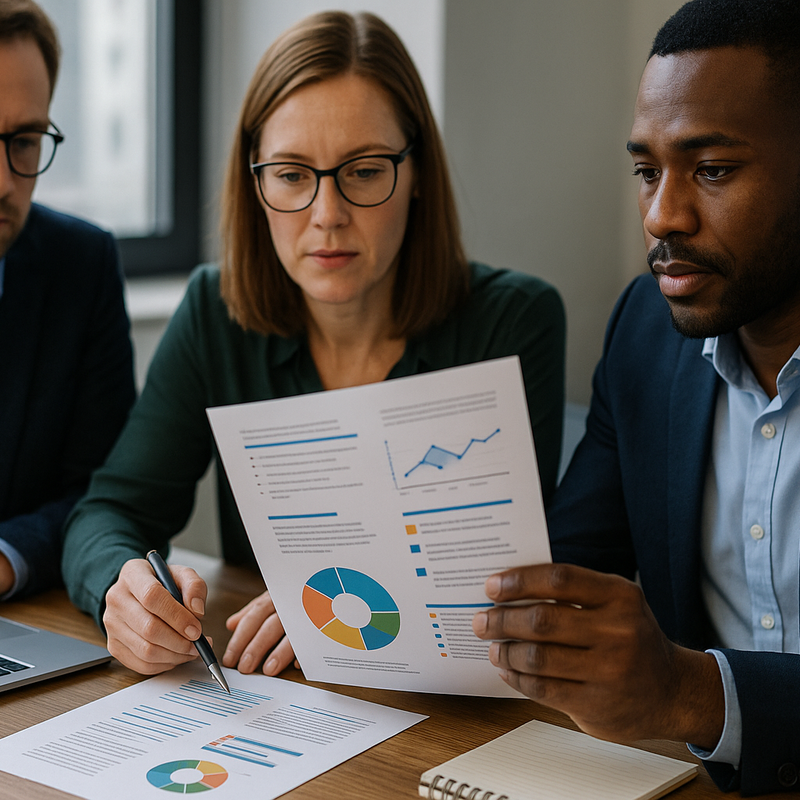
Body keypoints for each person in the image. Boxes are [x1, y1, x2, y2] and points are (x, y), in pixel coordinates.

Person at [62, 12, 565, 682]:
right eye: (293, 175)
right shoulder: (215, 312)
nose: (327, 214)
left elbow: (518, 581)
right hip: (285, 699)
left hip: (457, 702)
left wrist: (334, 602)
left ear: (416, 175)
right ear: (256, 184)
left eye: (362, 171)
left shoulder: (513, 323)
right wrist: (120, 591)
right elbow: (110, 512)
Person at [472, 0, 800, 795]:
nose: (662, 215)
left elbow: (678, 689)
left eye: (712, 170)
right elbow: (561, 567)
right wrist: (333, 594)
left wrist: (688, 692)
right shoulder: (646, 337)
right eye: (648, 171)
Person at [0, 0, 135, 600]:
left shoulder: (82, 266)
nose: (4, 182)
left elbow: (102, 489)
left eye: (25, 141)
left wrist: (4, 559)